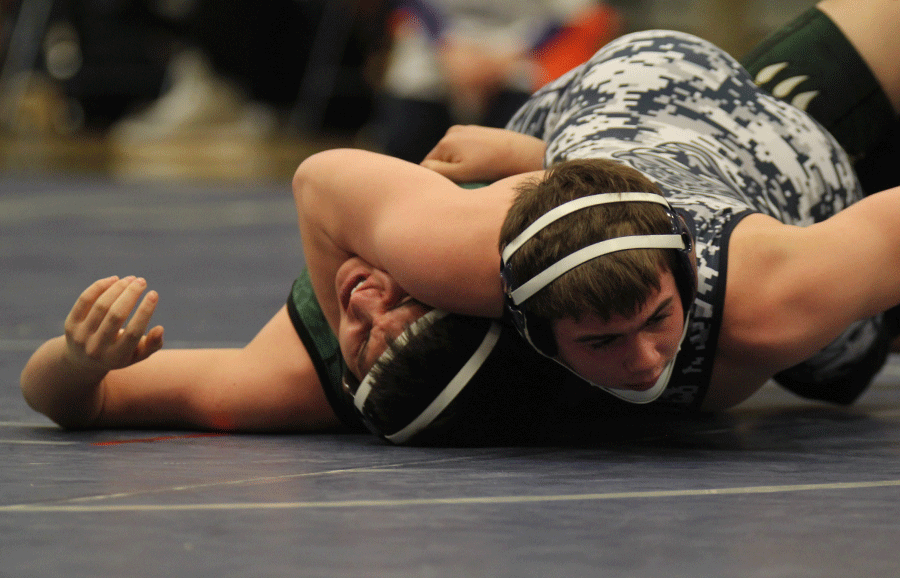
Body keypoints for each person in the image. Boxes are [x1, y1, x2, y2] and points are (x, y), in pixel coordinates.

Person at [18, 0, 900, 444]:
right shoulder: (747, 297)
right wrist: (535, 169)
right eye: (378, 320)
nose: (357, 301)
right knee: (821, 332)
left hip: (623, 111)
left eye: (368, 301)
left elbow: (322, 176)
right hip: (796, 171)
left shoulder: (393, 295)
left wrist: (78, 361)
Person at [371, 0, 622, 163]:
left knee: (521, 146)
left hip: (515, 56)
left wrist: (510, 54)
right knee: (407, 139)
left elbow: (576, 14)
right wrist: (447, 47)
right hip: (435, 53)